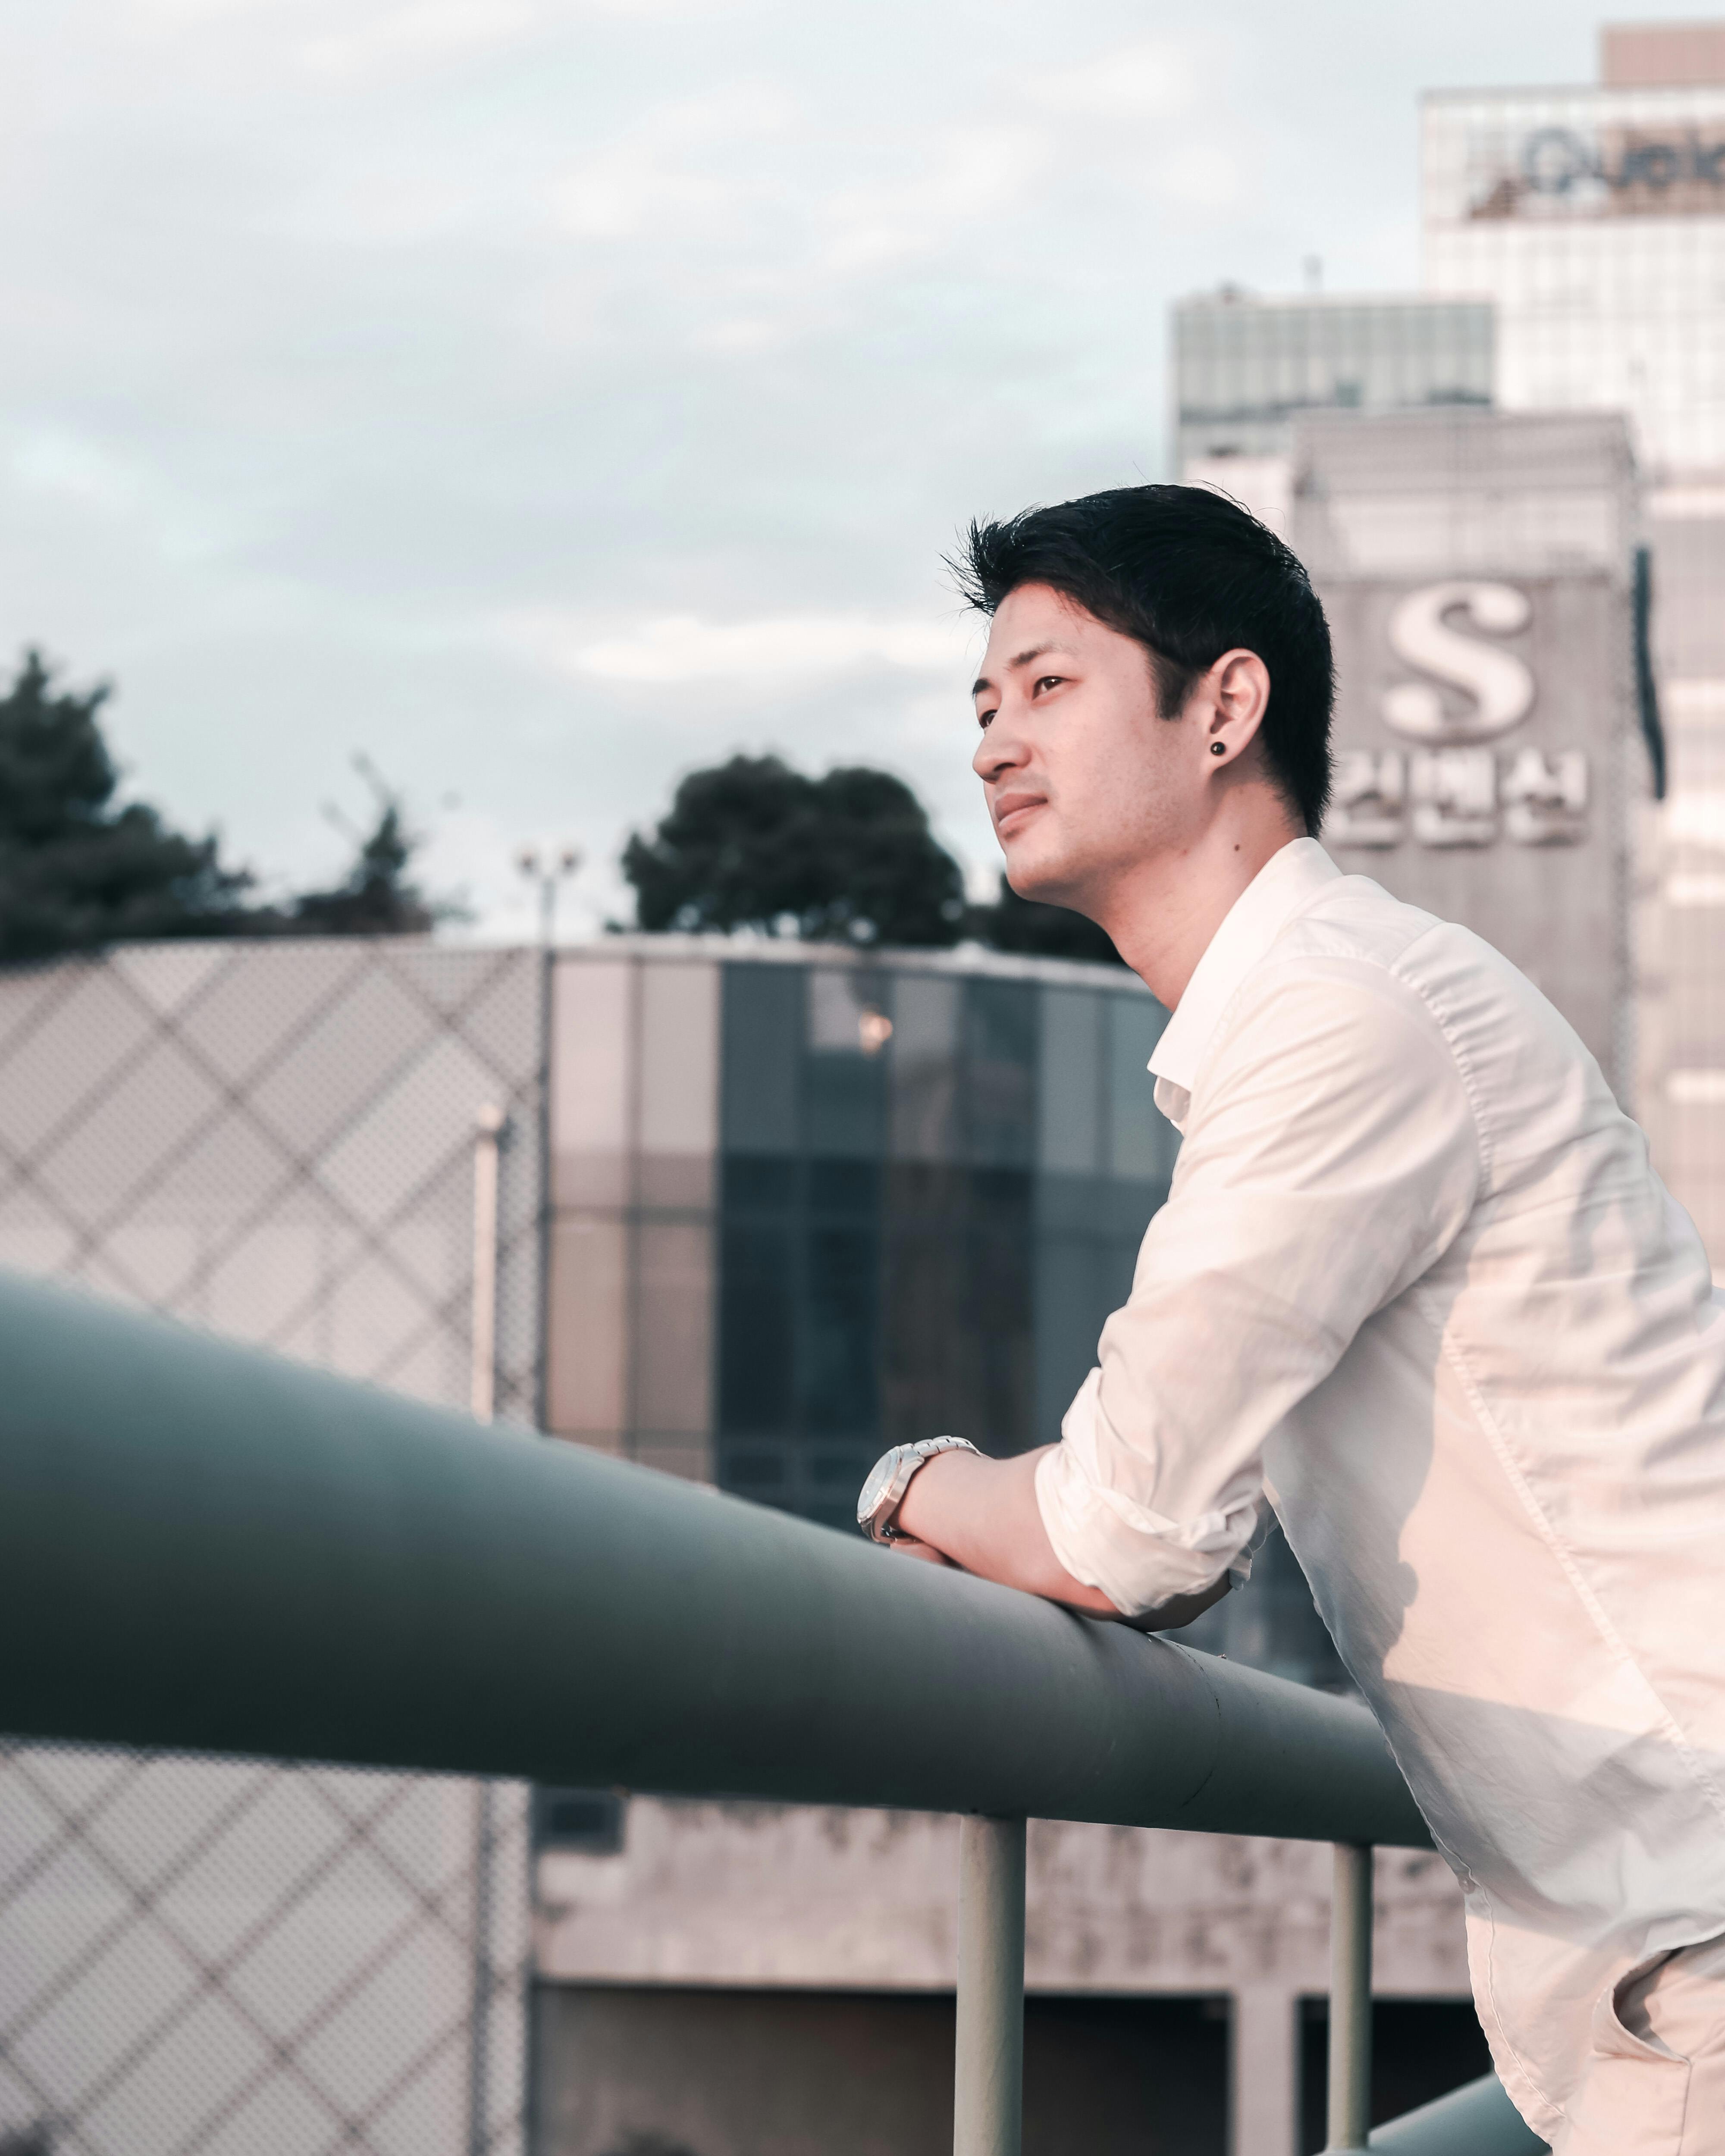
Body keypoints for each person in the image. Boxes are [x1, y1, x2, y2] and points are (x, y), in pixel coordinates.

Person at [854, 486, 1725, 2155]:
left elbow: (1129, 1532)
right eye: (979, 703)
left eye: (1047, 686)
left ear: (1225, 709)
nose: (990, 744)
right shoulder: (1348, 995)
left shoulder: (1340, 1011)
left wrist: (910, 1480)